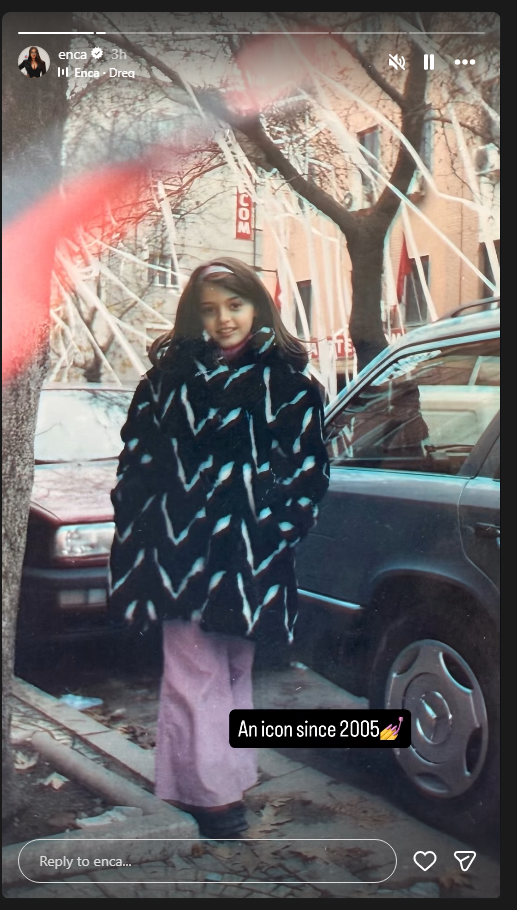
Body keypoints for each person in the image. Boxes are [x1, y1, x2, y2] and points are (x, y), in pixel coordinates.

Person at [108, 257, 330, 837]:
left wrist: (276, 530)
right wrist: (149, 532)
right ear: (194, 316)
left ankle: (223, 776)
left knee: (232, 667)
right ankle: (213, 799)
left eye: (235, 305)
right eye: (209, 310)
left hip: (249, 555)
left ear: (258, 306)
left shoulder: (290, 385)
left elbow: (309, 474)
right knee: (194, 671)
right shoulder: (165, 383)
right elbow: (135, 466)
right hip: (178, 554)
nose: (224, 320)